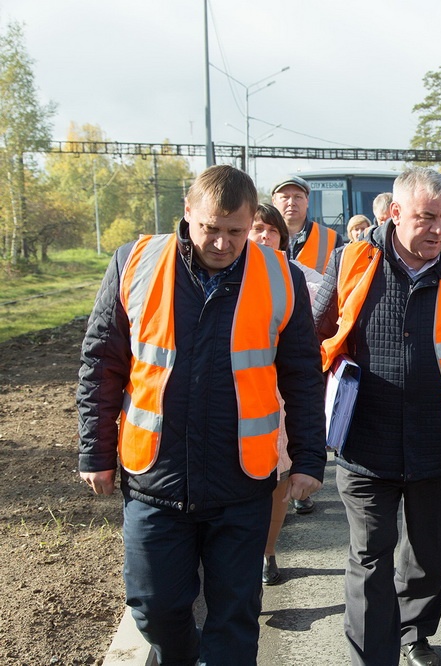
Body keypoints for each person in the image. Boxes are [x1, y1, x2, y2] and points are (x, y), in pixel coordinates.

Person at [77, 165, 326, 664]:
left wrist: (307, 459)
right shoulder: (136, 263)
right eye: (211, 228)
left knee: (234, 616)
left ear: (252, 221)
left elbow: (301, 373)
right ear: (188, 214)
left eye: (236, 232)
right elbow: (102, 363)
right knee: (156, 608)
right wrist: (95, 450)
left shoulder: (280, 277)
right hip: (156, 479)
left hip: (242, 481)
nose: (222, 243)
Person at [312, 167, 441, 666]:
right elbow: (311, 336)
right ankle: (372, 656)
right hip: (365, 443)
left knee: (427, 556)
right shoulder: (352, 260)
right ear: (396, 213)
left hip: (440, 442)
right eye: (427, 217)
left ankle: (414, 632)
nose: (440, 229)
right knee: (369, 559)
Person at [248, 202, 322, 586]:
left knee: (278, 476)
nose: (263, 236)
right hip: (244, 396)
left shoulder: (298, 278)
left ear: (282, 237)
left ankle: (268, 552)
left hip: (281, 395)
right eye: (257, 228)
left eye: (271, 230)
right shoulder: (231, 277)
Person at [271, 174, 341, 515]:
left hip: (315, 336)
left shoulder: (329, 238)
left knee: (304, 404)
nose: (291, 202)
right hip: (278, 331)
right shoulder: (259, 236)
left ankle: (302, 474)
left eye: (297, 196)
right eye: (284, 196)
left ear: (307, 202)